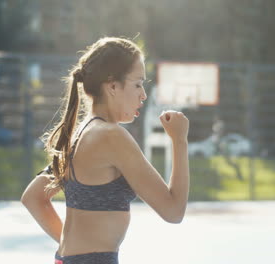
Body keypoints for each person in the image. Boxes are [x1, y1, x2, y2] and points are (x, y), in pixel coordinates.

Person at [21, 37, 190, 264]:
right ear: (112, 86)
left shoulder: (79, 133)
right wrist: (179, 140)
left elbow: (33, 198)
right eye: (138, 84)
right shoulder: (112, 136)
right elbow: (173, 211)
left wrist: (71, 247)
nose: (143, 95)